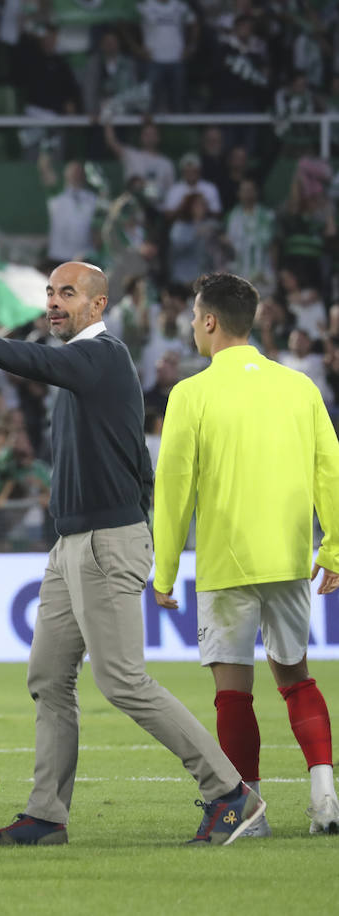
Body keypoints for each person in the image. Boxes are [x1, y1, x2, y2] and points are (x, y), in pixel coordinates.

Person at [0, 260, 264, 846]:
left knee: (124, 681)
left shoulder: (102, 357)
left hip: (106, 543)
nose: (54, 302)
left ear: (98, 307)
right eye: (50, 293)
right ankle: (47, 815)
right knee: (48, 676)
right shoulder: (83, 368)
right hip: (71, 544)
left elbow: (43, 363)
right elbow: (133, 460)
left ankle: (231, 795)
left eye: (68, 294)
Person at [153, 272, 339, 836]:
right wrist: (333, 544)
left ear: (209, 321)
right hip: (287, 558)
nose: (190, 326)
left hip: (225, 563)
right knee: (297, 679)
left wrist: (164, 571)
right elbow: (329, 470)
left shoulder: (190, 394)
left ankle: (247, 813)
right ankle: (327, 800)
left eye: (192, 317)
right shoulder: (300, 386)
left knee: (232, 694)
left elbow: (174, 487)